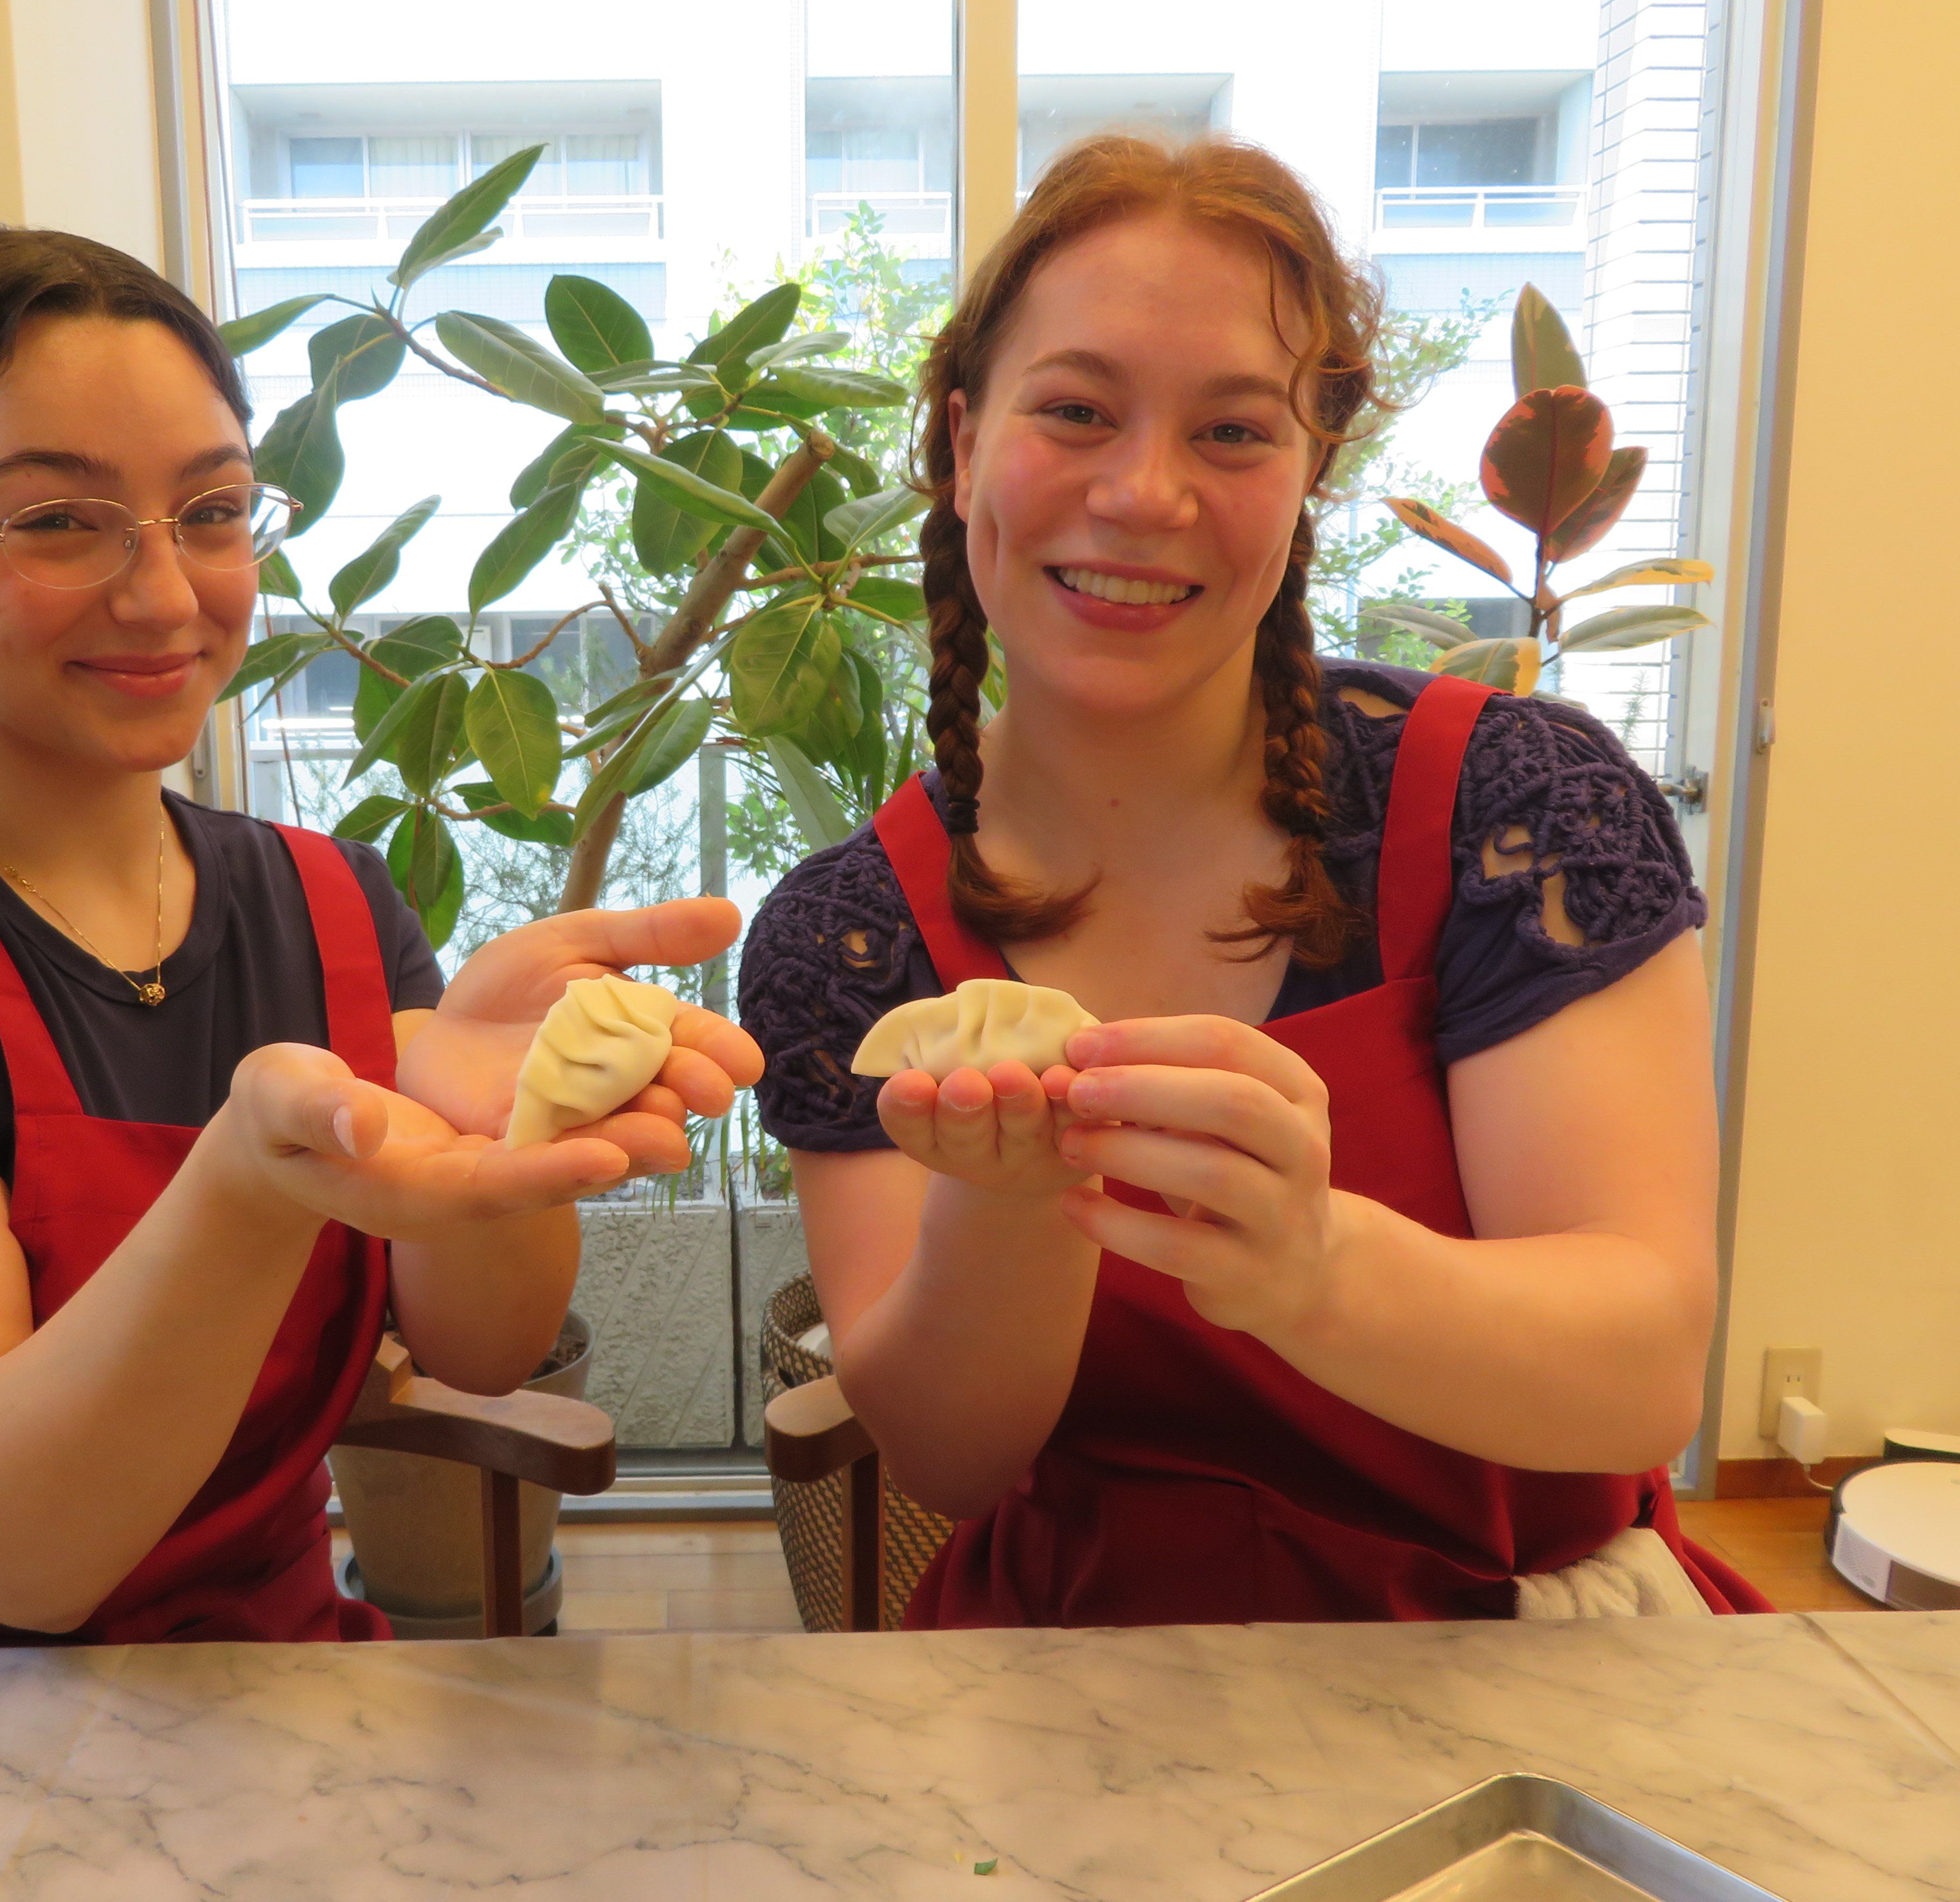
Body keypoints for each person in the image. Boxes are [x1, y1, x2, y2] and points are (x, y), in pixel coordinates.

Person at [0, 227, 759, 1652]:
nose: (162, 594)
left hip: (255, 1710)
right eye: (58, 523)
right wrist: (253, 1185)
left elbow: (482, 1344)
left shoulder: (329, 902)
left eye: (211, 511)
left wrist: (525, 1130)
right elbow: (22, 1547)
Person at [739, 137, 1762, 1626]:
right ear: (963, 446)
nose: (1144, 493)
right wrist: (1010, 1200)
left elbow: (1640, 1373)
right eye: (1077, 410)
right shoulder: (854, 932)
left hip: (1532, 1663)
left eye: (1231, 433)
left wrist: (1313, 1265)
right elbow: (954, 1456)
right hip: (1078, 1671)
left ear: (1313, 474)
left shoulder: (1514, 811)